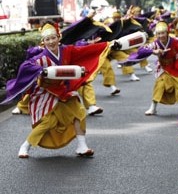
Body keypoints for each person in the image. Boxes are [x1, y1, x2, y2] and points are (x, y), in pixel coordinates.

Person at [1, 22, 110, 158]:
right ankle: (26, 145)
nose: (51, 41)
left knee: (79, 112)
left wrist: (108, 45)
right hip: (45, 94)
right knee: (48, 122)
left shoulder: (67, 51)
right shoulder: (40, 58)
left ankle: (82, 146)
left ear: (59, 38)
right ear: (43, 42)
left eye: (53, 38)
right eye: (47, 39)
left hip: (64, 92)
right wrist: (41, 70)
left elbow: (86, 51)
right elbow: (26, 66)